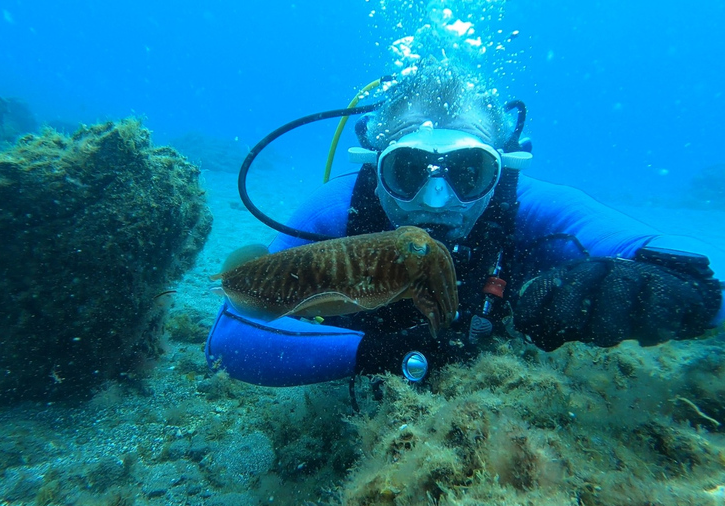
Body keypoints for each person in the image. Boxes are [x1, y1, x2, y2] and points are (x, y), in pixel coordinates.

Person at [205, 60, 724, 387]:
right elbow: (230, 337)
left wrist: (663, 287)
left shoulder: (536, 208)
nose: (435, 198)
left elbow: (676, 256)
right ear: (375, 165)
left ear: (502, 169)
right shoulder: (338, 209)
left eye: (468, 172)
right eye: (406, 171)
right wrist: (379, 354)